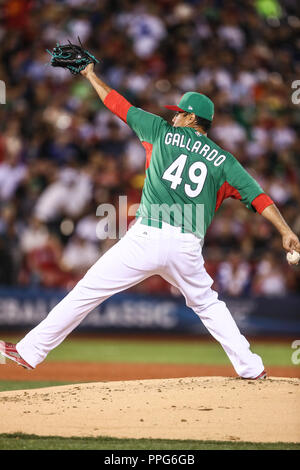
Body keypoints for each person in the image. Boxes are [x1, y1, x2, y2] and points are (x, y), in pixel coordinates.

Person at [1, 63, 300, 379]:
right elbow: (260, 198)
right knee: (209, 305)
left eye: (178, 113)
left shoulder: (160, 131)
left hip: (145, 237)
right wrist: (286, 231)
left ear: (189, 117)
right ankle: (251, 368)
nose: (173, 116)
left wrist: (89, 74)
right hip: (186, 245)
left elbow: (116, 103)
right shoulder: (224, 160)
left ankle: (29, 351)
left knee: (87, 290)